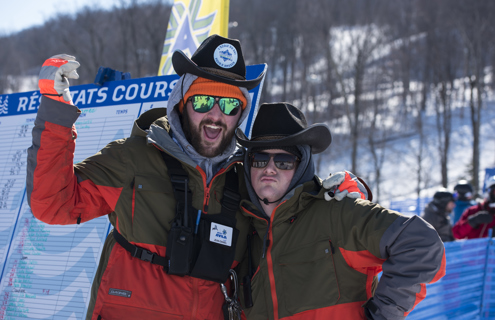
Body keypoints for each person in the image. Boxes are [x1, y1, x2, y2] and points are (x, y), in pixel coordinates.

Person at [27, 35, 364, 320]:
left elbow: (290, 223)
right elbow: (53, 204)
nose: (216, 116)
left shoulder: (245, 175)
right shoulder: (133, 157)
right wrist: (56, 109)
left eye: (230, 106)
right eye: (203, 101)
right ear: (182, 102)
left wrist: (349, 191)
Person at [235, 102, 446, 320]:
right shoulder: (243, 232)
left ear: (302, 166)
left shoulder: (338, 214)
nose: (269, 168)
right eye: (259, 158)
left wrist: (382, 315)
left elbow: (421, 244)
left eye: (284, 161)